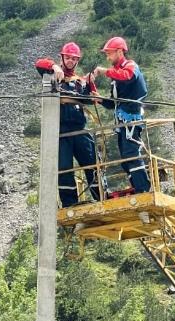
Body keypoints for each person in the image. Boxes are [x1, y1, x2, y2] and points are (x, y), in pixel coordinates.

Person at [35, 42, 103, 207]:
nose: (71, 61)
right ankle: (70, 203)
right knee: (64, 168)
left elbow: (94, 98)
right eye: (68, 58)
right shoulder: (53, 75)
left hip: (79, 129)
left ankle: (101, 198)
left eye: (74, 58)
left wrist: (90, 81)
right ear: (62, 58)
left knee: (93, 163)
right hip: (61, 132)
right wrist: (54, 67)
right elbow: (39, 63)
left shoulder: (79, 82)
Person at [92, 36, 150, 194]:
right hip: (122, 122)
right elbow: (114, 103)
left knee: (131, 154)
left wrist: (105, 72)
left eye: (109, 53)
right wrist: (99, 99)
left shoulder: (131, 67)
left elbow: (127, 76)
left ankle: (143, 188)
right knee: (125, 158)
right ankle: (137, 186)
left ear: (119, 52)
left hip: (131, 120)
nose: (108, 57)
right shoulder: (117, 77)